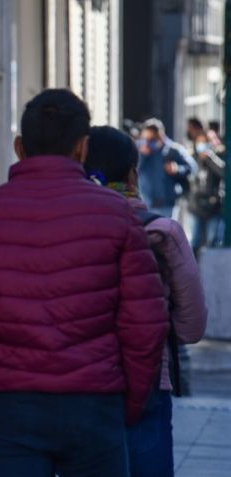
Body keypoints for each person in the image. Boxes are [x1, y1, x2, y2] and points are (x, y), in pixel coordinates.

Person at [0, 89, 169, 477]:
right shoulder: (116, 215)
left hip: (10, 404)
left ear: (20, 146)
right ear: (82, 147)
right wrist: (129, 402)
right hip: (95, 401)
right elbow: (145, 324)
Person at [84, 125, 208, 477]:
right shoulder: (162, 231)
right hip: (149, 377)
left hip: (78, 382)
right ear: (133, 173)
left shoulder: (62, 228)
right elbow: (193, 324)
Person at [137, 118, 195, 218]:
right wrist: (142, 155)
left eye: (152, 139)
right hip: (146, 203)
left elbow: (191, 167)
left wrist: (177, 169)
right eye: (145, 139)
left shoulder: (173, 150)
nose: (148, 142)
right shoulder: (140, 150)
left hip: (166, 204)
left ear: (160, 136)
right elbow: (135, 170)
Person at [184, 119, 225, 254]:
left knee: (212, 241)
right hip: (195, 205)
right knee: (195, 241)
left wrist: (210, 158)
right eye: (199, 143)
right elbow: (186, 174)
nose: (202, 146)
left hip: (212, 205)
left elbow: (223, 172)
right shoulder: (192, 158)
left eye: (204, 143)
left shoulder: (215, 158)